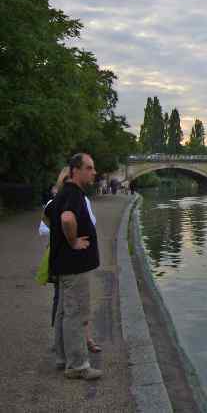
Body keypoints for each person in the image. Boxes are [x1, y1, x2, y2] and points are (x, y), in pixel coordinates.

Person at [48, 153, 102, 380]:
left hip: (64, 264)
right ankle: (78, 366)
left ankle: (62, 358)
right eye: (89, 168)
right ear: (75, 171)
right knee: (76, 314)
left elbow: (51, 217)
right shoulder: (74, 194)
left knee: (64, 313)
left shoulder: (63, 193)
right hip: (74, 266)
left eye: (93, 168)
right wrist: (73, 241)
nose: (93, 172)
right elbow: (67, 219)